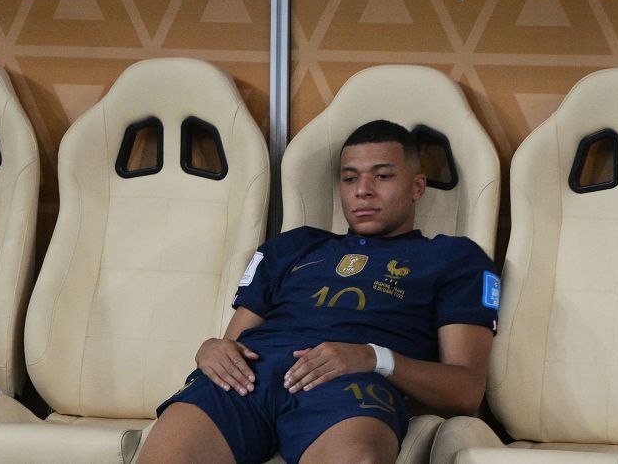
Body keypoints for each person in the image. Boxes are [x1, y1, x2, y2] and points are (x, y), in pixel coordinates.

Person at [137, 120, 499, 464]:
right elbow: (232, 343)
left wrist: (375, 358)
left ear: (417, 187)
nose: (363, 190)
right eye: (349, 178)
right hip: (249, 378)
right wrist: (210, 348)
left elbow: (465, 392)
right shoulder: (292, 246)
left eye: (383, 176)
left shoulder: (454, 257)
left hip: (349, 385)